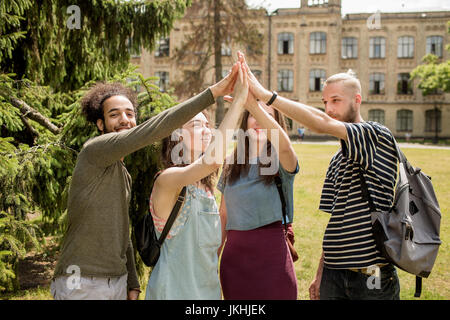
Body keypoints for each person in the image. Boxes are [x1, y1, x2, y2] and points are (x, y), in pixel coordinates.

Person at [51, 67, 238, 300]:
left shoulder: (123, 175)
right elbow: (153, 130)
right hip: (82, 281)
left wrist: (131, 281)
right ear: (100, 124)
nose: (125, 120)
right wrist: (214, 92)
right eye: (114, 114)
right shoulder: (94, 152)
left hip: (116, 281)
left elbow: (121, 229)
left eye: (130, 113)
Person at [240, 52, 400, 300]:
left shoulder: (375, 135)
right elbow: (335, 222)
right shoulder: (337, 158)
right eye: (325, 102)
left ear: (357, 100)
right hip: (334, 274)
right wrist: (320, 273)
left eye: (336, 100)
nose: (328, 109)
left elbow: (321, 122)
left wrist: (266, 96)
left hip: (372, 273)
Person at [145, 61, 248, 300]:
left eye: (207, 125)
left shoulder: (207, 187)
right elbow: (212, 161)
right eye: (195, 124)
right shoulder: (168, 180)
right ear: (177, 135)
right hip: (173, 292)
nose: (206, 130)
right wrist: (239, 101)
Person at [217, 61, 299, 300]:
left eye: (265, 116)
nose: (257, 120)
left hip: (271, 255)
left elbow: (284, 144)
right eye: (252, 115)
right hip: (234, 259)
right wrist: (214, 256)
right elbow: (223, 214)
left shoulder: (282, 161)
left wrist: (252, 103)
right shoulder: (232, 162)